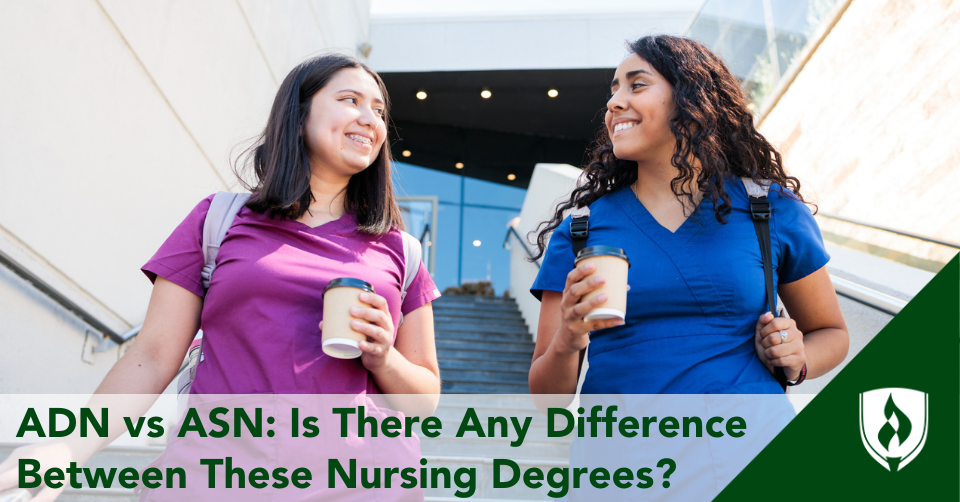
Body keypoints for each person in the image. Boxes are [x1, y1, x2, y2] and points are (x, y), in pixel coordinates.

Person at [0, 53, 441, 501]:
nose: (370, 119)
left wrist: (385, 359)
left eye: (380, 111)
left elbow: (425, 399)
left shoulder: (399, 250)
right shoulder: (219, 220)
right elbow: (151, 358)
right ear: (299, 112)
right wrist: (68, 448)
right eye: (350, 100)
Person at [528, 35, 849, 396]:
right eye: (613, 92)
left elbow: (831, 333)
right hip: (623, 447)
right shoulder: (580, 230)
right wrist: (568, 340)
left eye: (637, 85)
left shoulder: (770, 210)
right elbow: (546, 399)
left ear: (691, 98)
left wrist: (797, 356)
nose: (615, 103)